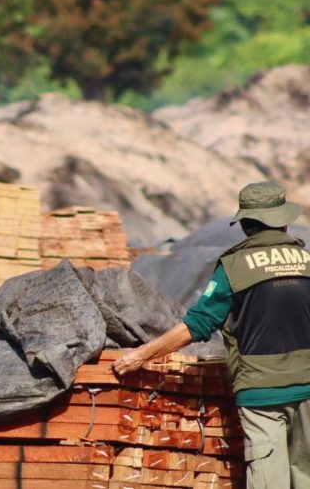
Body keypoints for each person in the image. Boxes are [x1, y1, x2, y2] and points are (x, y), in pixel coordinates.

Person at [112, 181, 310, 489]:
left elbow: (198, 325)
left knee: (270, 482)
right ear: (283, 221)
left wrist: (141, 354)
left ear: (245, 225)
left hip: (262, 394)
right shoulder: (307, 262)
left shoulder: (234, 267)